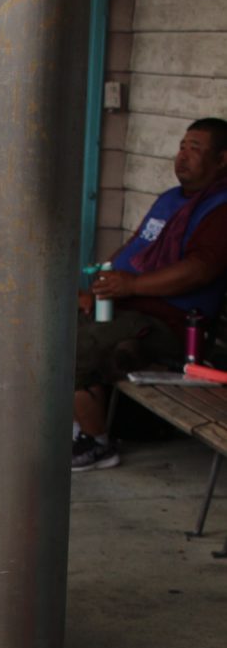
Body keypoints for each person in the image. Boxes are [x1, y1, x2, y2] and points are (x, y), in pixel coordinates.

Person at [72, 117, 227, 471]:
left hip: (167, 323)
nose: (183, 156)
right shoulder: (170, 200)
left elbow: (200, 268)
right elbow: (133, 250)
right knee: (46, 324)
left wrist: (131, 286)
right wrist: (100, 290)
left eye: (195, 149)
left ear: (221, 160)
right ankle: (72, 427)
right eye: (182, 147)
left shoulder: (220, 209)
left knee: (73, 346)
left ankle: (96, 444)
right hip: (127, 310)